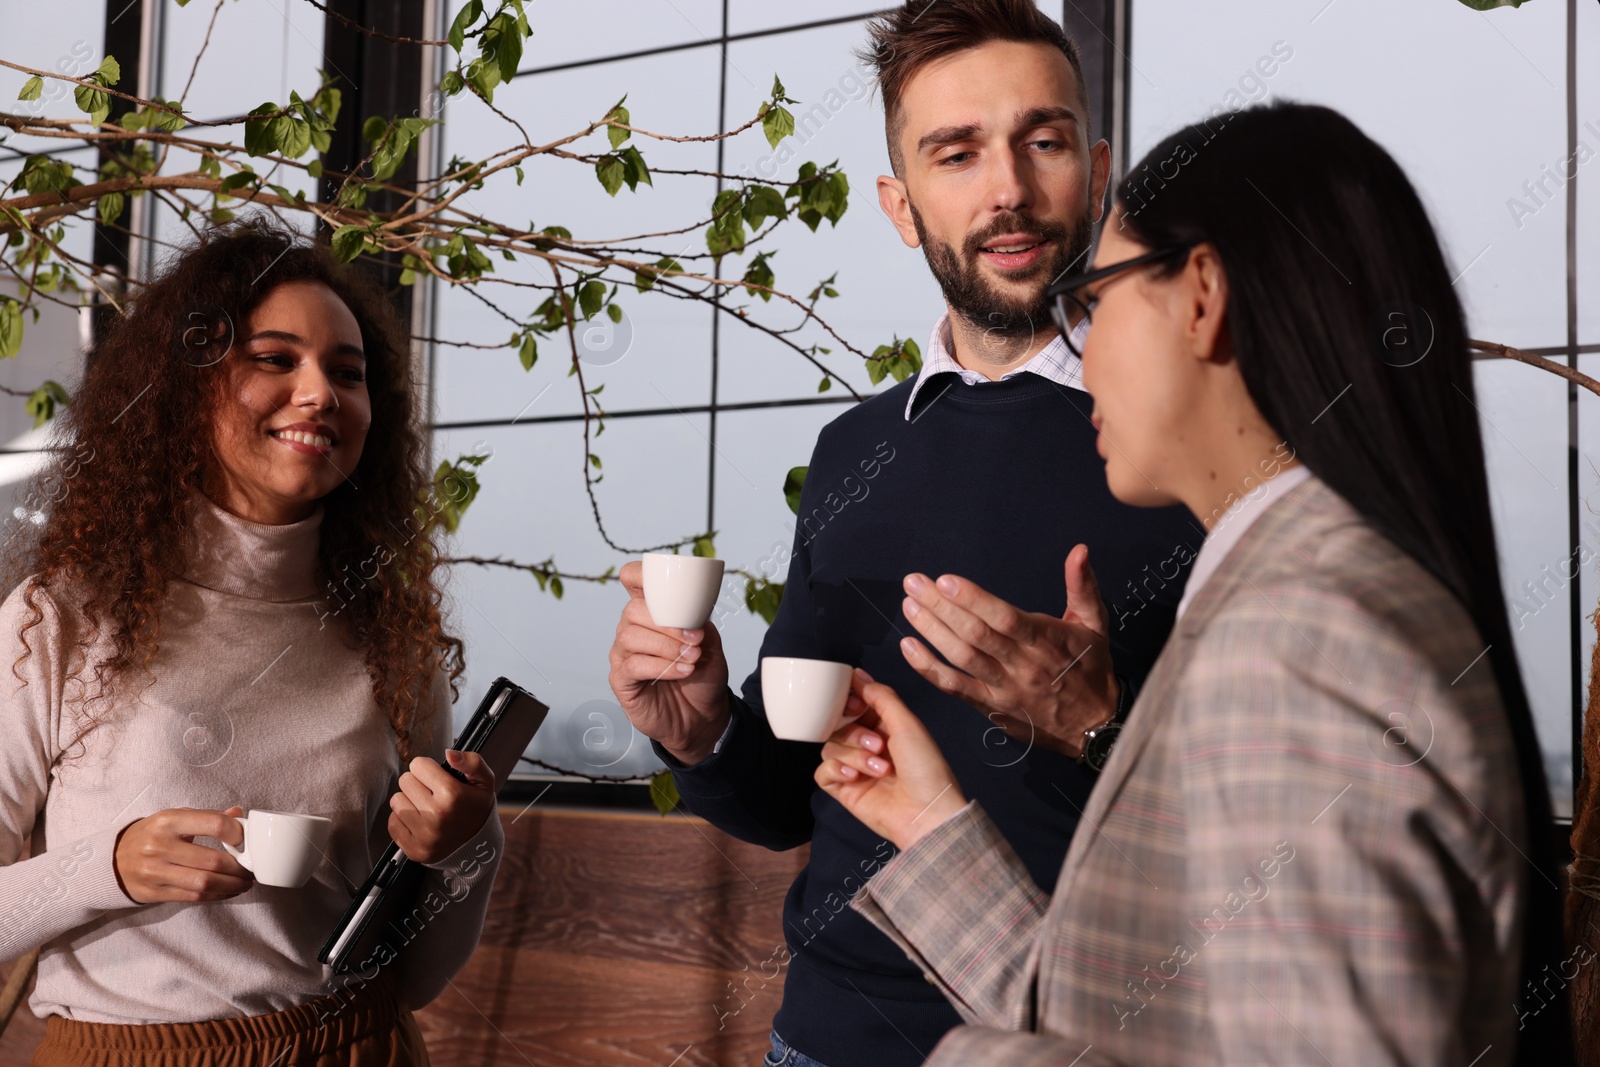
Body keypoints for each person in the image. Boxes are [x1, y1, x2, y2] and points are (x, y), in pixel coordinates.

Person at [814, 100, 1574, 1066]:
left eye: (1096, 297)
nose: (1081, 357)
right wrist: (931, 824)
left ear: (1202, 293)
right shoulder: (1292, 602)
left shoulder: (1303, 638)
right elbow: (1144, 1021)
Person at [607, 3, 1200, 1064]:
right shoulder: (853, 449)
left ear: (1096, 171)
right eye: (956, 153)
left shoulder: (1180, 434)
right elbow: (789, 799)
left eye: (1044, 142)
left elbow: (1270, 819)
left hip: (1088, 1037)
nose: (1008, 188)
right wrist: (697, 731)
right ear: (900, 204)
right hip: (824, 1037)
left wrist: (1102, 720)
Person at [0, 220, 504, 1066]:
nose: (320, 393)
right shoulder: (57, 618)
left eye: (349, 373)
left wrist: (468, 849)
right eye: (276, 359)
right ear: (188, 383)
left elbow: (416, 974)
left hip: (360, 1043)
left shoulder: (388, 631)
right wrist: (110, 866)